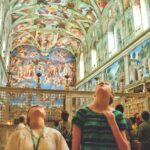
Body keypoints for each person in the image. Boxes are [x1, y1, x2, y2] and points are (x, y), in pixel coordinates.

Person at [72, 81, 129, 150]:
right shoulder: (82, 113)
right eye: (99, 84)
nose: (102, 82)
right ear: (94, 94)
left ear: (112, 94)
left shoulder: (118, 115)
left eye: (106, 84)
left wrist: (113, 123)